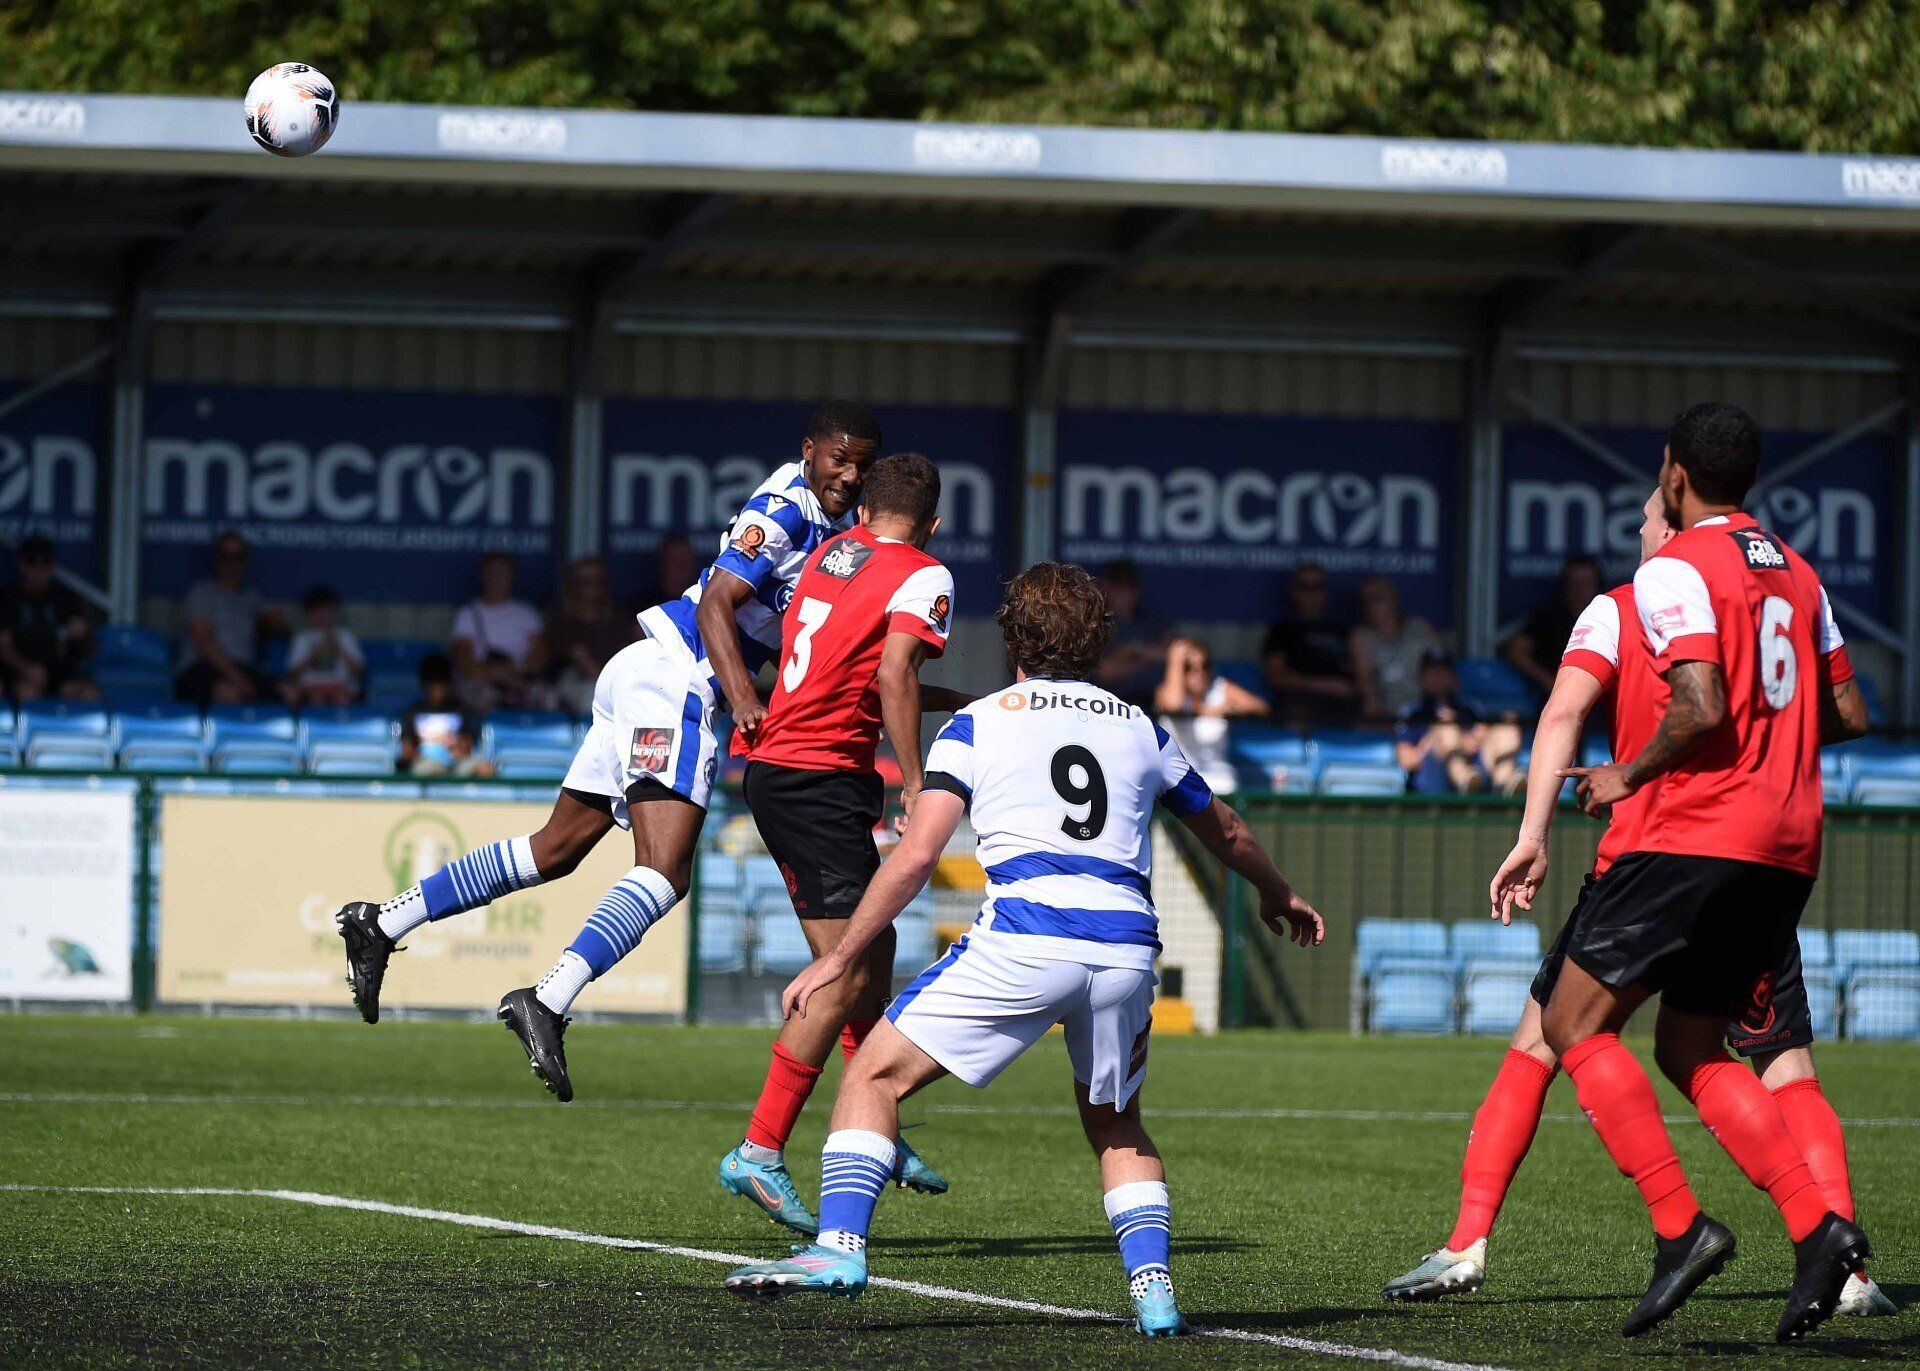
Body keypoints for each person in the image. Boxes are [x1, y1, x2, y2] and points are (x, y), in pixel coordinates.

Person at [722, 562, 1326, 1338]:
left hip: (1027, 938)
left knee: (872, 1072)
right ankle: (1154, 1292)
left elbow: (915, 856)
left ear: (1014, 641)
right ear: (1097, 643)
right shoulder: (1141, 726)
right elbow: (1227, 829)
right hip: (1124, 952)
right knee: (1117, 1123)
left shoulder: (978, 723)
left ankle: (838, 1248)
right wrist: (1278, 891)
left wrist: (837, 958)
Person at [1383, 488, 1896, 1319]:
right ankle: (1844, 1261)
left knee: (1551, 1032)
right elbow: (1844, 710)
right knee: (1772, 1061)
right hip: (1762, 857)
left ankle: (1479, 1240)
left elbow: (1562, 711)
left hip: (1651, 863)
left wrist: (1535, 831)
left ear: (1678, 520)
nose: (1646, 530)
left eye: (1654, 515)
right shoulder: (1785, 589)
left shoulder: (1628, 602)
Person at [334, 401, 880, 1103]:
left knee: (554, 849)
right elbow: (715, 602)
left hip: (645, 672)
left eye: (862, 465)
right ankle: (548, 998)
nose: (850, 474)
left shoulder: (835, 527)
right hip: (677, 680)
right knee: (664, 871)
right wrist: (745, 700)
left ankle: (383, 920)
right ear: (810, 450)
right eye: (840, 458)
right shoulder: (786, 508)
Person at [1541, 404, 1870, 1342]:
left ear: (1674, 475)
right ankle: (1819, 1228)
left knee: (1571, 1021)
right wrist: (1778, 731)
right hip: (1789, 846)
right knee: (1689, 1044)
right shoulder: (1800, 574)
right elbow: (1849, 710)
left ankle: (1681, 1228)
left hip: (1696, 835)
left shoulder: (1675, 566)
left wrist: (1624, 775)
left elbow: (1699, 703)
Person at [718, 453, 972, 1234]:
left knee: (874, 945)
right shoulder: (925, 573)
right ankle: (759, 1149)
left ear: (863, 512)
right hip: (815, 778)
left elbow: (854, 675)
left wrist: (958, 702)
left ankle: (873, 1122)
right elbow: (894, 676)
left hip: (794, 767)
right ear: (933, 524)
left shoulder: (834, 552)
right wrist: (916, 781)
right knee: (844, 967)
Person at [174, 530, 284, 706]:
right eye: (226, 556)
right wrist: (238, 678)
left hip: (244, 668)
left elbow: (273, 627)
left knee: (289, 692)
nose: (232, 563)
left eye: (239, 557)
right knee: (230, 693)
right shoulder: (202, 592)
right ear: (216, 559)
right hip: (202, 669)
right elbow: (204, 643)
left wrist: (275, 623)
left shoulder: (252, 597)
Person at [1393, 651, 1522, 795]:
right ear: (1422, 676)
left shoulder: (1470, 708)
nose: (1439, 677)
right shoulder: (1412, 713)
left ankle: (1503, 786)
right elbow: (1407, 760)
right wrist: (1434, 739)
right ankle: (1463, 780)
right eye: (1433, 672)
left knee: (1507, 724)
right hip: (1433, 780)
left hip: (1477, 773)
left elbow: (1478, 740)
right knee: (1445, 726)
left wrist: (1466, 740)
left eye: (1444, 671)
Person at [1154, 636, 1267, 796]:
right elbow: (1174, 705)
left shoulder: (1220, 688)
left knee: (1227, 786)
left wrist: (1228, 709)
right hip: (1176, 774)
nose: (1199, 673)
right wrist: (1176, 660)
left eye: (1204, 665)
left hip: (1217, 774)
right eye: (1189, 667)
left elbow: (1261, 707)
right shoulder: (1167, 691)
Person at [0, 535, 99, 703]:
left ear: (53, 566)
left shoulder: (65, 597)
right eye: (32, 562)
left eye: (45, 563)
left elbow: (90, 650)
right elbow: (3, 645)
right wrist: (26, 668)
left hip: (59, 672)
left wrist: (85, 634)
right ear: (21, 564)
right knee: (26, 692)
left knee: (90, 694)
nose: (38, 570)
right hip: (18, 671)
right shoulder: (7, 596)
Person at [1260, 564, 1357, 727]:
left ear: (1325, 592)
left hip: (1343, 708)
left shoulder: (1343, 631)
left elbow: (1361, 676)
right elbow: (1276, 676)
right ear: (1294, 592)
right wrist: (1323, 686)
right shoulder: (1282, 630)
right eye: (1304, 587)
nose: (1311, 594)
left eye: (1317, 587)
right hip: (1299, 707)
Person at [450, 552, 548, 713]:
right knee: (483, 698)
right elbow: (463, 657)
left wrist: (517, 672)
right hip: (482, 677)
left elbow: (540, 654)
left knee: (548, 698)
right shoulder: (468, 613)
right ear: (483, 575)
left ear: (513, 577)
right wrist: (493, 673)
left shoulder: (527, 613)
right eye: (492, 572)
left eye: (503, 572)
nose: (497, 578)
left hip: (520, 676)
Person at [546, 556, 635, 718]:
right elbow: (583, 661)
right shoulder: (561, 621)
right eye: (583, 580)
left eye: (596, 579)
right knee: (587, 694)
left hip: (613, 682)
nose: (590, 585)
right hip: (574, 683)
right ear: (573, 584)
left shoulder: (619, 620)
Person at [1505, 556, 1603, 697]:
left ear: (1597, 584)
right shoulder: (1549, 616)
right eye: (1574, 582)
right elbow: (1516, 651)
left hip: (1599, 695)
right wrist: (1548, 681)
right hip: (1558, 696)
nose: (1580, 589)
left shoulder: (1608, 617)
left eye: (1586, 582)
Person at [1350, 576, 1440, 722]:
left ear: (1393, 600)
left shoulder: (1419, 627)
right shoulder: (1362, 637)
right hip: (1393, 715)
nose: (1370, 605)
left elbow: (1442, 666)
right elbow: (1365, 682)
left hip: (1430, 710)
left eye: (1377, 598)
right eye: (1365, 601)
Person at [398, 653, 494, 778]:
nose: (437, 690)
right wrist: (422, 749)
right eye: (433, 685)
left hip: (458, 762)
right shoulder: (413, 713)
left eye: (441, 685)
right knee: (426, 771)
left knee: (485, 768)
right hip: (426, 762)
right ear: (425, 686)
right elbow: (407, 750)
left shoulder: (460, 710)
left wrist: (456, 746)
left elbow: (467, 744)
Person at [1094, 559, 1172, 707]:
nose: (1124, 594)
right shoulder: (1097, 625)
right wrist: (1144, 661)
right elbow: (1105, 672)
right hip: (1109, 706)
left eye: (1129, 587)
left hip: (1152, 705)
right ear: (1106, 587)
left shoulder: (1152, 622)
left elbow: (1174, 653)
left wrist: (1135, 652)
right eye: (1118, 587)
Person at [281, 586, 363, 708]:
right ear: (310, 614)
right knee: (316, 696)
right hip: (310, 686)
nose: (323, 615)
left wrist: (338, 648)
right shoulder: (302, 638)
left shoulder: (345, 636)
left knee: (340, 696)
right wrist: (313, 655)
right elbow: (292, 674)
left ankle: (342, 720)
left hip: (341, 685)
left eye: (326, 610)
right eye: (318, 611)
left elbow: (358, 671)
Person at [636, 535, 699, 614]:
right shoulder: (644, 604)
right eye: (675, 561)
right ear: (663, 562)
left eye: (685, 560)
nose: (681, 566)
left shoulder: (701, 600)